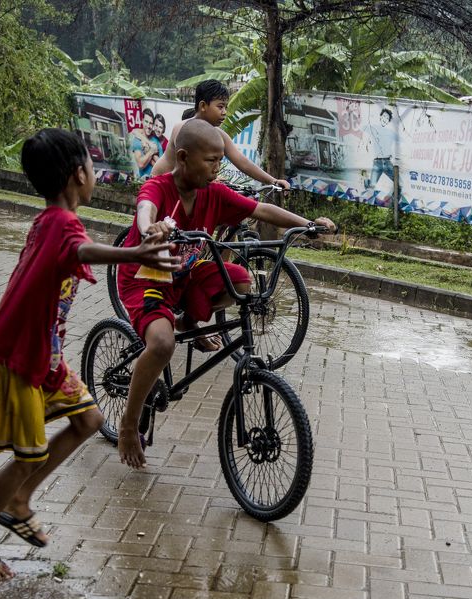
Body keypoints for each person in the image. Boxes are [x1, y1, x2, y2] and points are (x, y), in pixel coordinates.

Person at [0, 129, 179, 582]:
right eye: (90, 166)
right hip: (17, 357)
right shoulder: (63, 226)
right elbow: (80, 250)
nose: (93, 174)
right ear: (77, 175)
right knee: (28, 456)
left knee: (87, 420)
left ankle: (18, 501)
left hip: (43, 354)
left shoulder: (53, 219)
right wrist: (134, 251)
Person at [115, 119, 334, 469]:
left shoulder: (213, 193)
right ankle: (128, 424)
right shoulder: (159, 187)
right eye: (211, 161)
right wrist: (149, 229)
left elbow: (260, 209)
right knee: (161, 344)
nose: (218, 168)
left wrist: (305, 225)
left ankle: (188, 320)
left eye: (221, 160)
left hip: (185, 273)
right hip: (147, 277)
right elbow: (145, 210)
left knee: (240, 281)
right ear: (183, 158)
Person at [153, 80, 290, 189]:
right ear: (203, 106)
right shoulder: (182, 128)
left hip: (187, 189)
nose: (224, 112)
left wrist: (273, 180)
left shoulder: (218, 134)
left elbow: (243, 162)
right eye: (220, 106)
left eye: (226, 107)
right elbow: (187, 166)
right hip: (160, 184)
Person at [364, 108, 395, 190]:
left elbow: (391, 145)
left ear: (388, 121)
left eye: (387, 118)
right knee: (371, 186)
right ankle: (366, 181)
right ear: (380, 117)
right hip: (377, 163)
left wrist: (392, 154)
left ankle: (394, 198)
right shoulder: (373, 128)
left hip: (387, 162)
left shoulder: (389, 132)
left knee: (398, 181)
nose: (385, 119)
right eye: (384, 116)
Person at [129, 108, 162, 179]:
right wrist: (151, 151)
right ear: (142, 121)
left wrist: (148, 150)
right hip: (145, 182)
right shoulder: (137, 141)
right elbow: (140, 165)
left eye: (151, 123)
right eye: (146, 122)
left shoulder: (156, 140)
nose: (149, 126)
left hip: (157, 181)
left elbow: (162, 165)